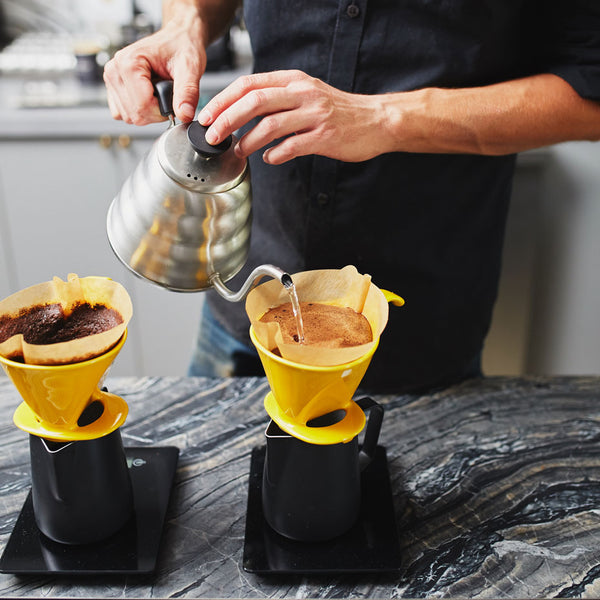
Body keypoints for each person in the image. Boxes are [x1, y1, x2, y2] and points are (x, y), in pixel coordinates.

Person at [104, 0, 600, 393]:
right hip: (247, 309)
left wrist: (383, 116)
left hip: (416, 327)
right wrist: (185, 21)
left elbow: (589, 94)